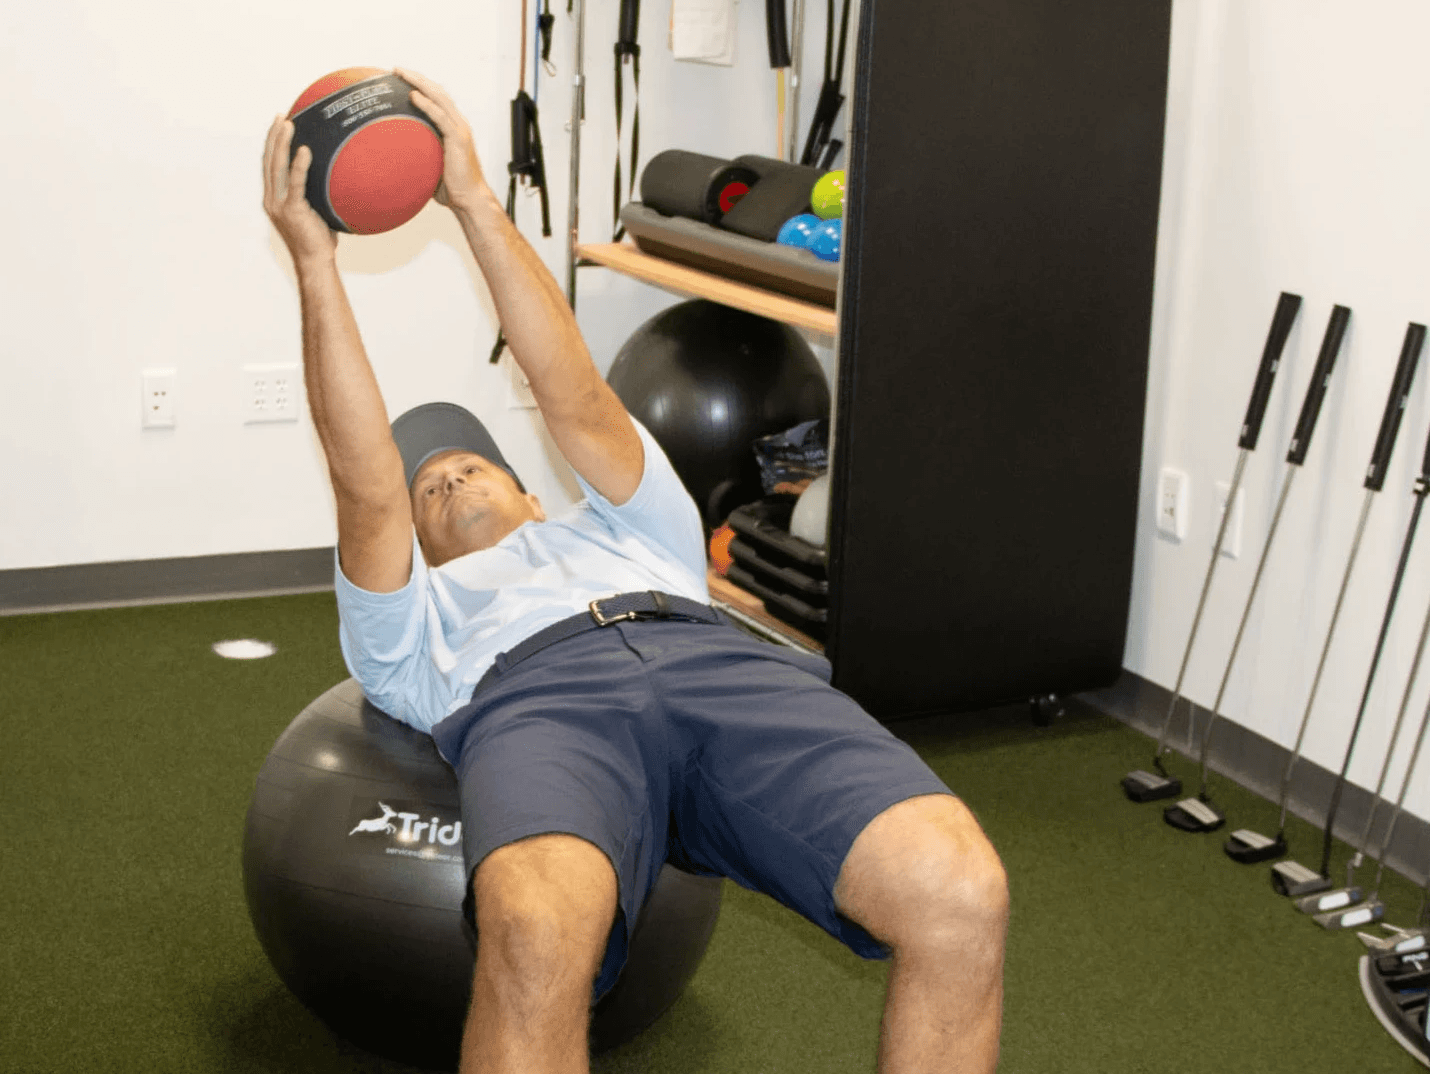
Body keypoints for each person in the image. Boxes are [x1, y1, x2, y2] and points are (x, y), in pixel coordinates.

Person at [260, 67, 1008, 1074]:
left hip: (717, 664)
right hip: (536, 704)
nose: (446, 481)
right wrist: (316, 263)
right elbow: (364, 481)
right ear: (413, 542)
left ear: (536, 493)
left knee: (961, 893)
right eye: (426, 489)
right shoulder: (410, 629)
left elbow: (569, 395)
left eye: (470, 461)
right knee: (531, 938)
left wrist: (477, 202)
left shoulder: (636, 526)